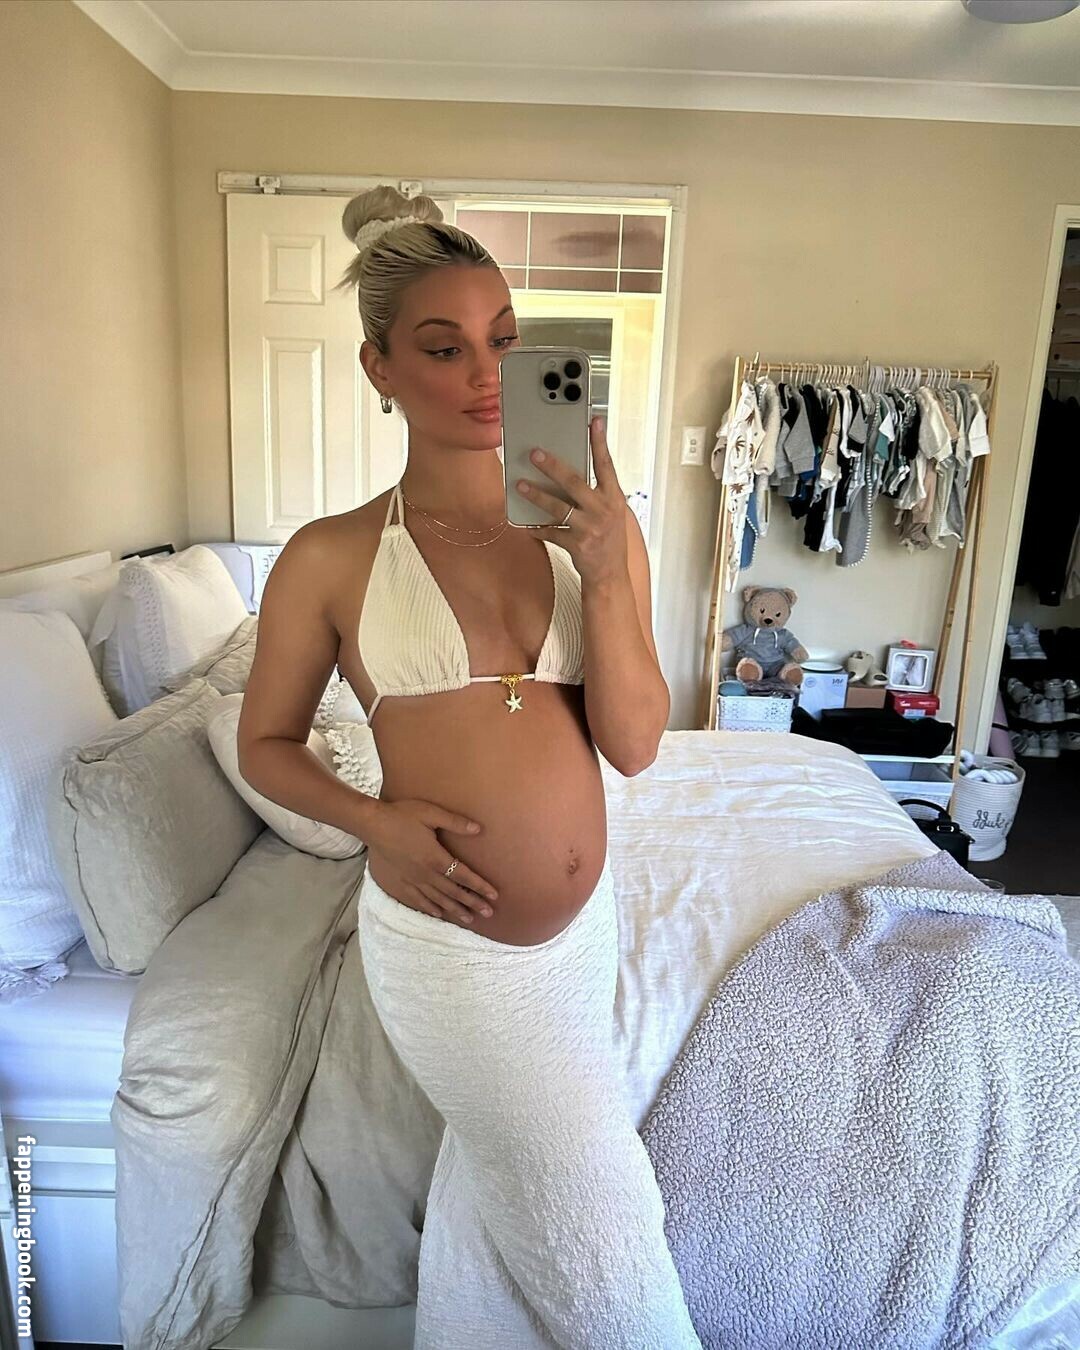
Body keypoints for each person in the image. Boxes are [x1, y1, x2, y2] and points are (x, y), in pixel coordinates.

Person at [236, 185, 700, 1349]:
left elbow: (635, 743)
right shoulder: (331, 555)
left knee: (509, 1196)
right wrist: (375, 823)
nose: (486, 374)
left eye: (504, 341)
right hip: (448, 948)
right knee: (607, 1234)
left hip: (581, 941)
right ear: (380, 367)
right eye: (443, 348)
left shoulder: (596, 529)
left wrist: (608, 570)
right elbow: (265, 746)